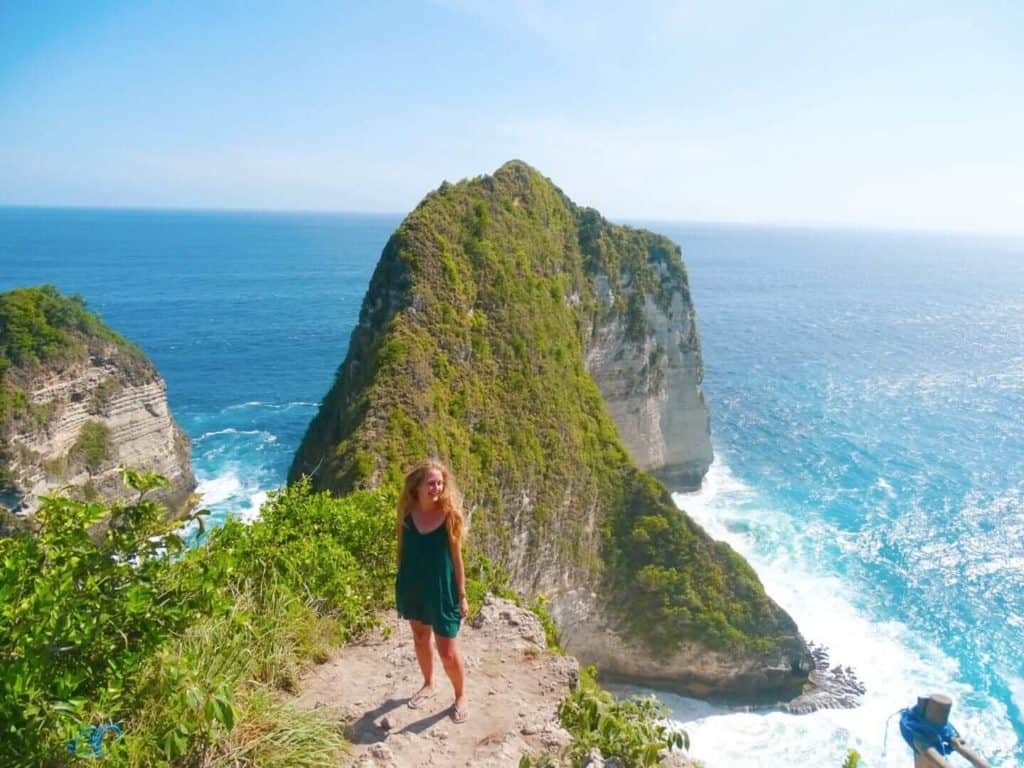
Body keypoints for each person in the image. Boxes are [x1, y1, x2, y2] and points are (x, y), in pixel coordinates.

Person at [394, 458, 469, 723]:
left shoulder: (450, 517)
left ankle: (460, 696)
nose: (436, 488)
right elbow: (402, 552)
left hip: (442, 592)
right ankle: (428, 683)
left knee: (447, 651)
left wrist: (462, 595)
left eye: (439, 483)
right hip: (414, 587)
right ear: (417, 486)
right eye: (431, 483)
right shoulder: (406, 515)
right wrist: (402, 585)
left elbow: (457, 560)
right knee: (419, 637)